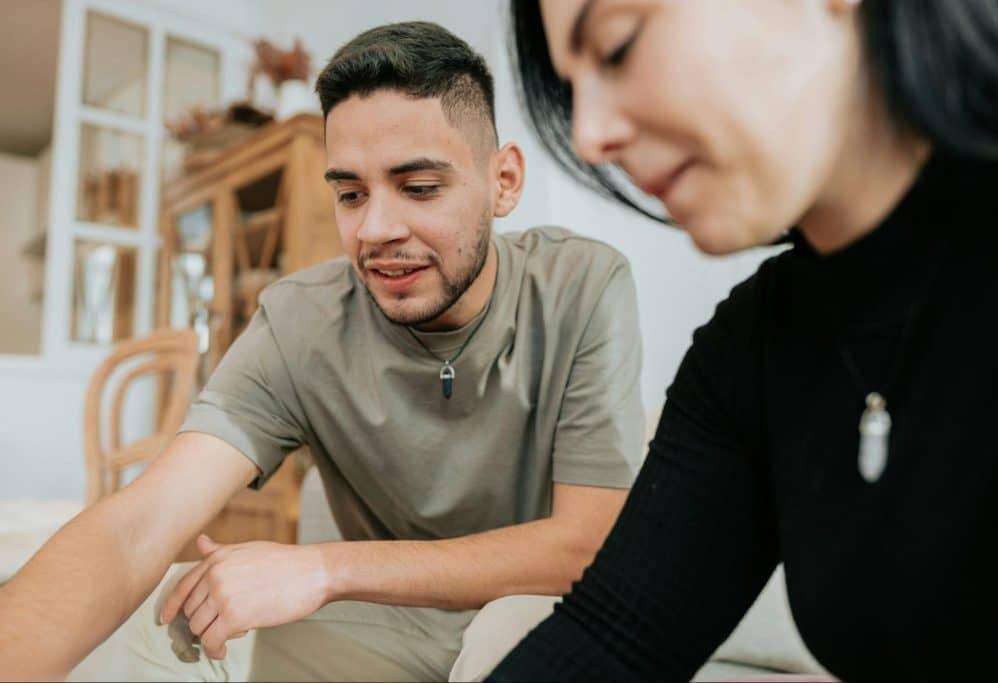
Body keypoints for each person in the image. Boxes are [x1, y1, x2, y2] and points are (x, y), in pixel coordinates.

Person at [0, 21, 646, 682]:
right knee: (167, 617)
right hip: (388, 625)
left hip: (534, 612)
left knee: (508, 636)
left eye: (419, 188)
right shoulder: (298, 320)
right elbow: (139, 525)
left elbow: (589, 544)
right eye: (350, 194)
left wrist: (322, 567)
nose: (376, 229)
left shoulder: (583, 285)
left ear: (503, 181)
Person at [489, 0, 998, 680]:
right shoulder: (756, 345)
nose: (590, 134)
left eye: (618, 46)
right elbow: (612, 636)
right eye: (571, 88)